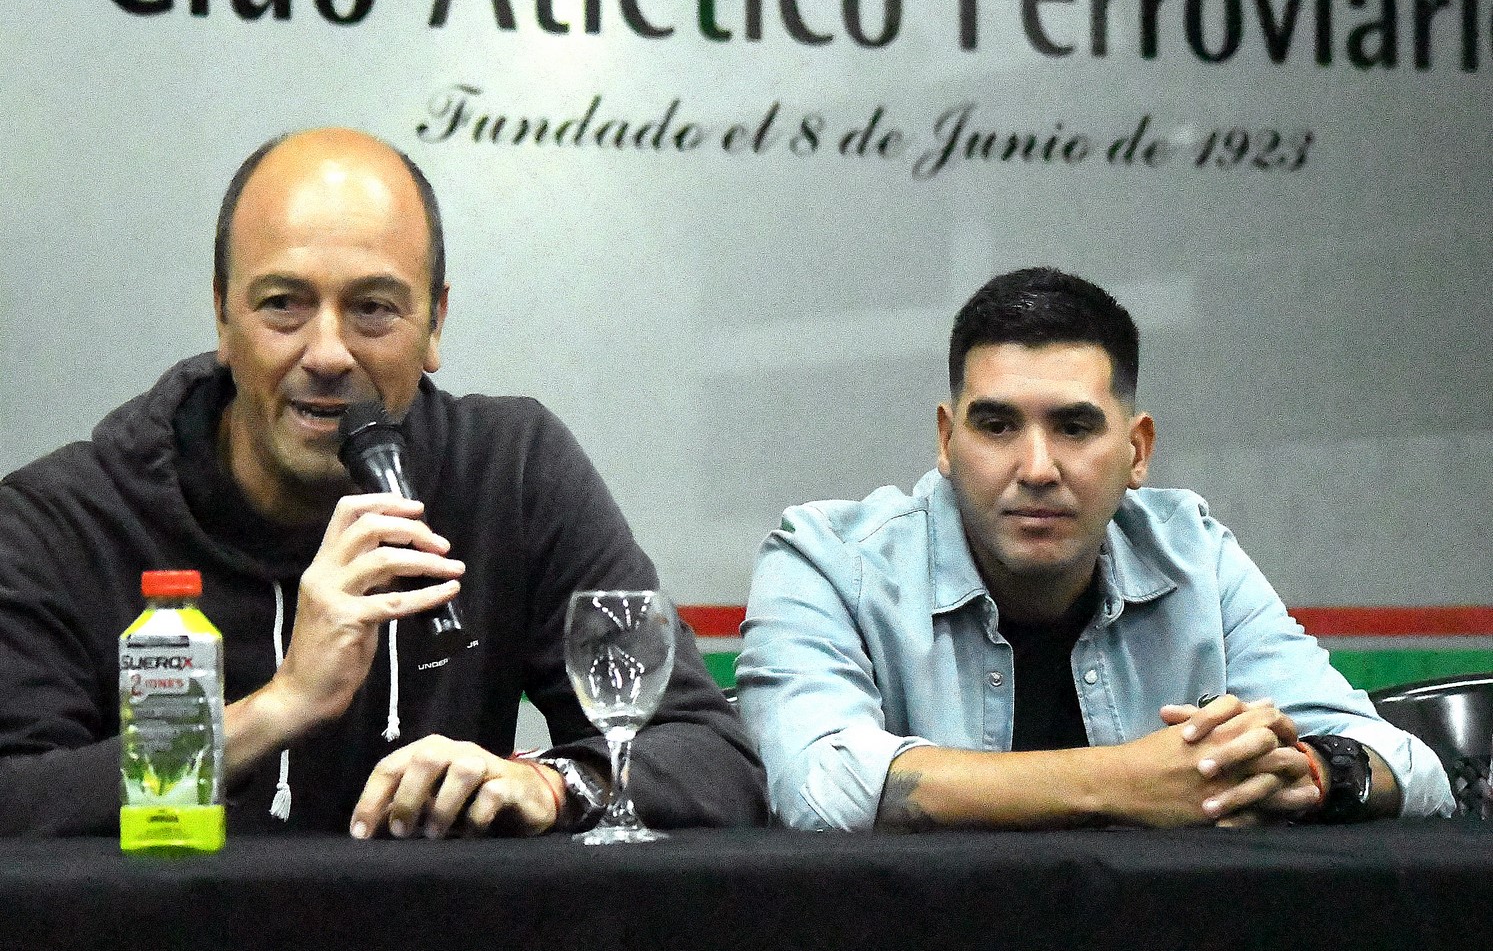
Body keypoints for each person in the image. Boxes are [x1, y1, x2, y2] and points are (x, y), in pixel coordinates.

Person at [0, 127, 767, 838]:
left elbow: (710, 757)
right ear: (222, 316)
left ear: (435, 323)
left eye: (372, 308)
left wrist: (547, 784)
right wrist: (277, 707)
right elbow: (15, 799)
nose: (327, 352)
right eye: (283, 305)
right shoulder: (61, 522)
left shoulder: (509, 470)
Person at [737, 267, 1453, 831]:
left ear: (1137, 450)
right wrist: (1128, 782)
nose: (1037, 467)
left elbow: (1415, 770)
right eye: (996, 426)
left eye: (1074, 428)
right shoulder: (827, 559)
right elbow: (814, 785)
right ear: (947, 441)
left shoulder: (1192, 554)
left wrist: (1311, 773)